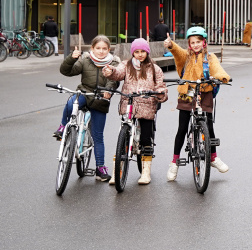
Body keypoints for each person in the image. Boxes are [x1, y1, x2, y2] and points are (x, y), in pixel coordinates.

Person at [164, 27, 230, 181]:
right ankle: (174, 162)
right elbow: (177, 51)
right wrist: (170, 45)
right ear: (189, 44)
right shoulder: (185, 57)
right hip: (187, 94)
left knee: (209, 126)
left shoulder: (210, 57)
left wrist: (222, 77)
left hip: (204, 93)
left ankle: (213, 157)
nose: (195, 44)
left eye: (198, 41)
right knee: (182, 128)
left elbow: (217, 69)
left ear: (204, 42)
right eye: (192, 42)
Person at [55, 35, 121, 182]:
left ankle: (100, 168)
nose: (101, 51)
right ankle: (63, 126)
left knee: (98, 136)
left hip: (100, 98)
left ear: (109, 49)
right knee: (72, 102)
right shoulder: (85, 58)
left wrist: (108, 91)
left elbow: (114, 80)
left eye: (104, 49)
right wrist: (72, 58)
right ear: (92, 48)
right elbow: (66, 71)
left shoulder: (115, 61)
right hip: (85, 92)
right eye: (98, 48)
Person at [102, 38, 168, 185]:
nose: (139, 55)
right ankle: (116, 173)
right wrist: (110, 71)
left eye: (142, 51)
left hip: (146, 106)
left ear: (147, 52)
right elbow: (117, 73)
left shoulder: (154, 68)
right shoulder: (126, 65)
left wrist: (160, 93)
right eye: (136, 52)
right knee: (122, 139)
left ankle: (145, 173)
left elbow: (161, 86)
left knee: (146, 140)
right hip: (129, 105)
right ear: (132, 53)